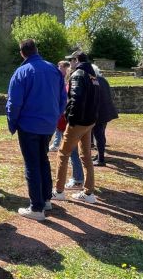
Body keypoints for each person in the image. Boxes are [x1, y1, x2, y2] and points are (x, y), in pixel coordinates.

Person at [7, 39, 67, 221]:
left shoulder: (22, 72)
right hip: (47, 124)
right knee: (42, 159)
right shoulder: (53, 69)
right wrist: (55, 116)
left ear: (22, 53)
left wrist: (13, 123)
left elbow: (14, 103)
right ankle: (46, 199)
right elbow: (63, 97)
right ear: (36, 49)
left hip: (29, 125)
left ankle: (36, 207)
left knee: (32, 163)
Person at [53, 50, 100, 204]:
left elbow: (76, 98)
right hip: (89, 121)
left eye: (71, 61)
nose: (70, 64)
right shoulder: (93, 75)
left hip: (78, 122)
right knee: (85, 156)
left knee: (62, 153)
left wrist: (69, 118)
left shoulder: (78, 74)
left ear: (76, 60)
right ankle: (88, 193)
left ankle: (59, 191)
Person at [49, 60, 84, 190]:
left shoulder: (71, 85)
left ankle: (78, 180)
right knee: (74, 153)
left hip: (70, 123)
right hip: (71, 122)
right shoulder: (70, 84)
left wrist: (65, 115)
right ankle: (78, 178)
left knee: (71, 153)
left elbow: (69, 104)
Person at [91, 64, 119, 167]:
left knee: (99, 135)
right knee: (100, 134)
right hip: (106, 111)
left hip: (99, 112)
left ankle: (101, 159)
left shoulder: (93, 80)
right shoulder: (103, 80)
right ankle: (99, 155)